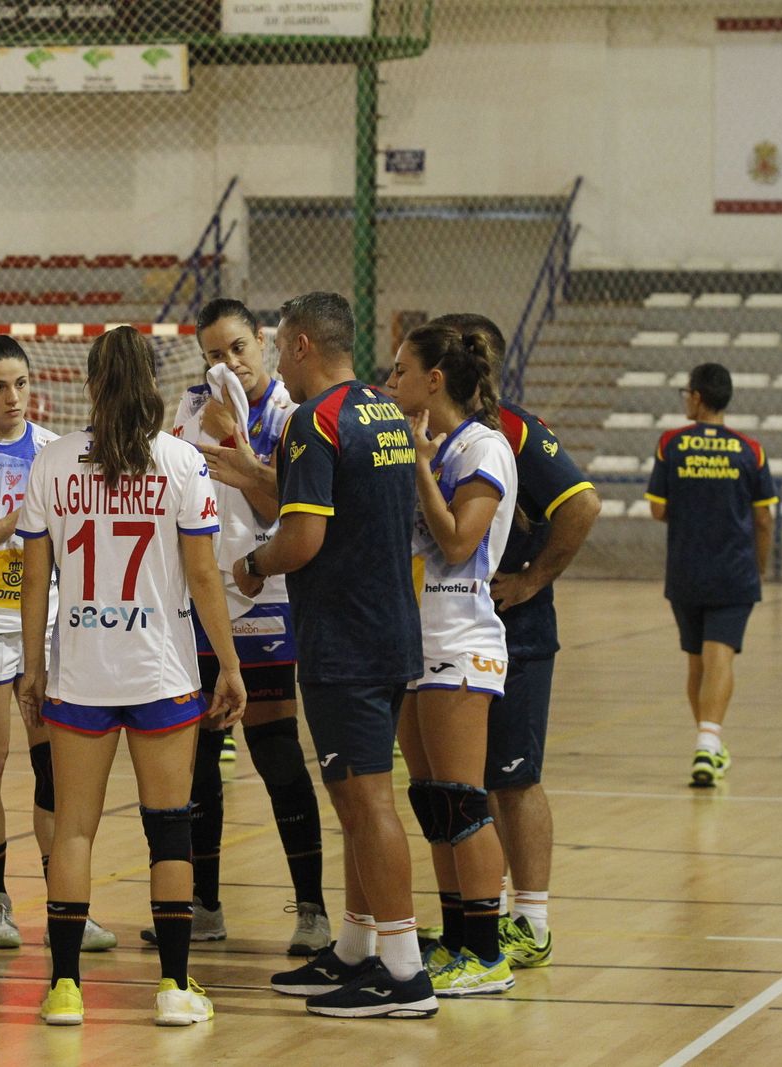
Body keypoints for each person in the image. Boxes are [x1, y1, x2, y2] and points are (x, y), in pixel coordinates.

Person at [16, 326, 245, 1028]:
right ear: (152, 385)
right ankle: (175, 987)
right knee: (168, 826)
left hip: (80, 676)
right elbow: (204, 574)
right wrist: (229, 664)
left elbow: (32, 580)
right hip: (161, 673)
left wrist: (34, 669)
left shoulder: (50, 461)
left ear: (89, 383)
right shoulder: (181, 461)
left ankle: (63, 988)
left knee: (76, 830)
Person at [215, 293, 433, 1019]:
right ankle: (356, 944)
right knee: (354, 798)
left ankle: (402, 969)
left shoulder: (317, 420)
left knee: (368, 802)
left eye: (279, 344)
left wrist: (251, 565)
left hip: (347, 634)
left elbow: (301, 538)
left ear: (304, 344)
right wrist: (252, 472)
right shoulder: (380, 410)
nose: (276, 358)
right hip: (387, 625)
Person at [429, 313, 600, 970]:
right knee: (462, 785)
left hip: (515, 632)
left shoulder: (516, 429)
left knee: (513, 779)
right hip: (450, 629)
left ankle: (531, 919)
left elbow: (582, 504)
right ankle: (479, 919)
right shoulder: (439, 436)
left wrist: (532, 578)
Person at [159, 298, 328, 956]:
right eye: (212, 353)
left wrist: (237, 442)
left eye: (236, 348)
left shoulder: (290, 415)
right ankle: (204, 903)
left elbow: (284, 506)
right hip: (203, 601)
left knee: (277, 749)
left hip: (269, 598)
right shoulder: (189, 406)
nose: (226, 362)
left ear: (260, 342)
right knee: (199, 755)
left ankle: (311, 908)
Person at [0, 332, 118, 953]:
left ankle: (66, 907)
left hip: (45, 628)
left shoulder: (52, 451)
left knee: (55, 769)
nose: (13, 397)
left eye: (20, 384)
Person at [384, 320, 518, 997]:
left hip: (463, 643)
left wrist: (417, 467)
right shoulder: (431, 443)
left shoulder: (481, 448)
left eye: (400, 371)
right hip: (419, 642)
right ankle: (458, 935)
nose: (390, 382)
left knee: (465, 801)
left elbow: (462, 543)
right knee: (433, 801)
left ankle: (489, 951)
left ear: (434, 379)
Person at [645, 362, 777, 787]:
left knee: (696, 661)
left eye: (687, 392)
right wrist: (759, 565)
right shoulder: (750, 450)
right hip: (734, 570)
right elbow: (763, 520)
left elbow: (658, 508)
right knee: (720, 657)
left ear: (698, 397)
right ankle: (708, 743)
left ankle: (708, 744)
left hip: (685, 568)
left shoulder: (671, 444)